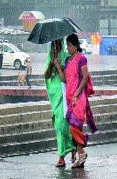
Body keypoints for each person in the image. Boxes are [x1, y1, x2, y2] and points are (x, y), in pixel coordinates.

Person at [54, 34, 97, 169]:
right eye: (67, 45)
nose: (67, 48)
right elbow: (65, 79)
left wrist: (76, 94)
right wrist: (57, 67)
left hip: (79, 97)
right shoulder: (67, 60)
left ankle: (82, 152)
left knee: (74, 126)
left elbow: (85, 78)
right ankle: (80, 156)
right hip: (69, 98)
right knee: (74, 127)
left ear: (75, 46)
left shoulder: (81, 59)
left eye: (69, 45)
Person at [44, 39, 76, 168]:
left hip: (64, 93)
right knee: (58, 124)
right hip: (55, 95)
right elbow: (46, 76)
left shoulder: (66, 56)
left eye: (57, 43)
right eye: (53, 43)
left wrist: (59, 66)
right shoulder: (50, 56)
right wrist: (51, 64)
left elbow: (67, 77)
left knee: (63, 124)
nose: (55, 45)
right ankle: (64, 153)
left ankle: (66, 152)